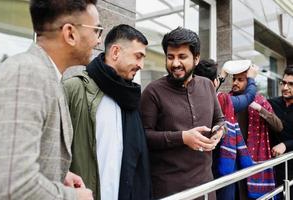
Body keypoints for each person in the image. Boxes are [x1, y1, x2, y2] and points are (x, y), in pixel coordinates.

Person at [0, 0, 101, 199]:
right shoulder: (26, 73)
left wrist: (59, 174)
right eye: (96, 30)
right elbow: (12, 185)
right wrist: (74, 197)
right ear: (70, 33)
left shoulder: (48, 76)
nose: (98, 41)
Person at [62, 24, 152, 200]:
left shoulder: (130, 97)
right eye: (138, 56)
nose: (141, 65)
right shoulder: (73, 88)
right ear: (116, 52)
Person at [140, 27, 225, 200]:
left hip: (206, 187)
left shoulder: (207, 86)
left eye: (182, 57)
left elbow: (220, 120)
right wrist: (183, 137)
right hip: (168, 190)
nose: (175, 63)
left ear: (196, 58)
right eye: (170, 57)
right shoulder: (153, 91)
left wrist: (220, 131)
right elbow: (143, 136)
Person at [195, 59, 257, 200]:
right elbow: (248, 96)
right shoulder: (223, 101)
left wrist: (221, 77)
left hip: (198, 167)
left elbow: (206, 90)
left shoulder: (190, 99)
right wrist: (251, 79)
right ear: (215, 82)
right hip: (223, 163)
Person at [229, 63, 283, 199]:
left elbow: (278, 126)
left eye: (240, 80)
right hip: (233, 158)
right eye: (234, 79)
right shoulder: (228, 100)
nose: (235, 82)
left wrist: (260, 109)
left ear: (249, 81)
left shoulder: (260, 101)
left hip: (254, 158)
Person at [268, 66, 293, 200]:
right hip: (273, 168)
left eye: (291, 84)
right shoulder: (272, 103)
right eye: (283, 83)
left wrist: (286, 145)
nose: (285, 87)